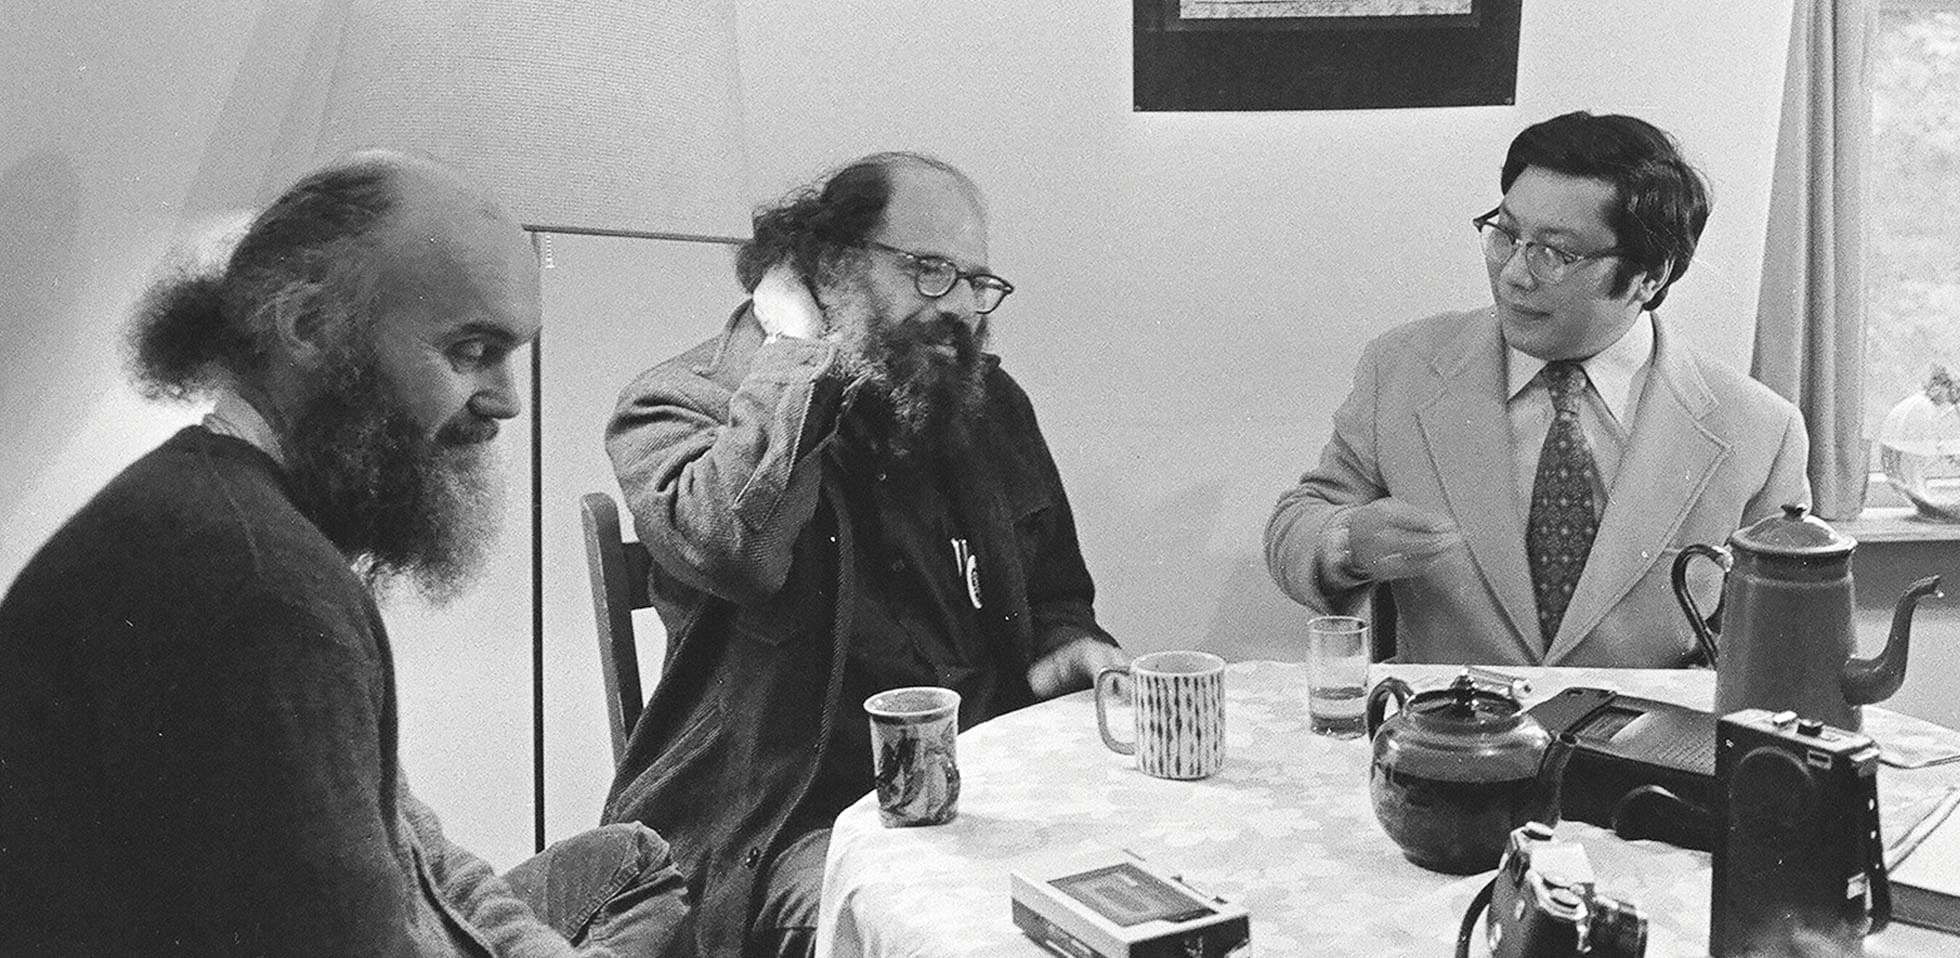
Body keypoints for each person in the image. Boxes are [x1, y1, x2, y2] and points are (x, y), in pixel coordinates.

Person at [0, 150, 687, 956]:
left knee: (633, 859)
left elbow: (412, 853)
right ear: (308, 328)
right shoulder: (258, 589)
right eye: (469, 351)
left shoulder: (233, 518)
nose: (505, 399)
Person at [603, 151, 1126, 956]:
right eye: (928, 271)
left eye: (974, 281)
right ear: (831, 266)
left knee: (1161, 895)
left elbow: (1058, 592)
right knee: (965, 938)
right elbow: (733, 549)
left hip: (983, 791)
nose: (960, 306)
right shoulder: (678, 403)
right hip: (785, 824)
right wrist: (800, 351)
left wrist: (1067, 648)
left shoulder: (987, 405)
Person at [1265, 111, 1810, 667]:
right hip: (1451, 737)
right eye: (1504, 235)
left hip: (1644, 746)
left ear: (1651, 275)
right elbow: (1295, 525)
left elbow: (1783, 646)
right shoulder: (1404, 368)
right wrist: (1347, 541)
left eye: (1556, 253)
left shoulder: (1760, 431)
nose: (1514, 274)